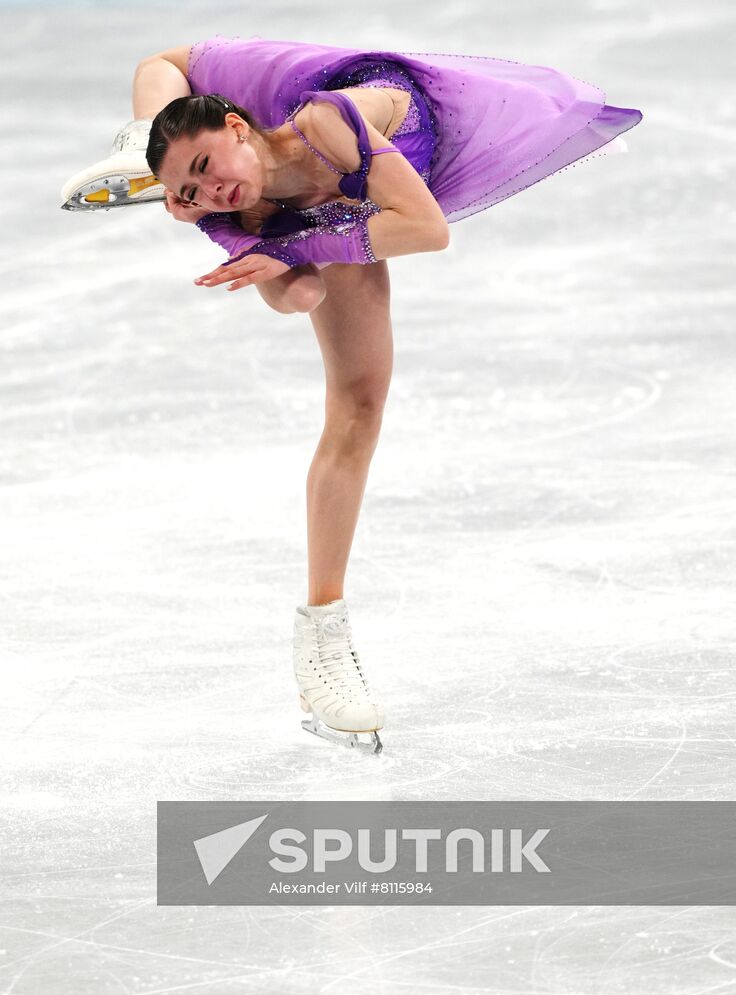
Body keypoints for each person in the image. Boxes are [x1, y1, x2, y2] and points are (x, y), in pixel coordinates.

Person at [60, 36, 643, 756]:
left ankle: (142, 148)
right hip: (305, 212)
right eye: (189, 190)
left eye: (206, 168)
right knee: (353, 403)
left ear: (236, 126)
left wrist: (280, 243)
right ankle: (321, 641)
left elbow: (424, 229)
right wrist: (234, 229)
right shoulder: (232, 202)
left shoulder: (325, 122)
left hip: (355, 170)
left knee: (363, 399)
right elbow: (297, 295)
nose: (210, 190)